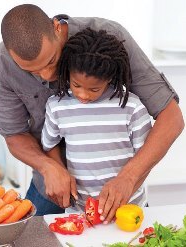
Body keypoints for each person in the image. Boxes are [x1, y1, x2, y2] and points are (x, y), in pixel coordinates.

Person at [0, 4, 184, 222]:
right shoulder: (2, 62)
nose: (47, 74)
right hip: (50, 190)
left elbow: (172, 118)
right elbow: (14, 135)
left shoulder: (109, 38)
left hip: (120, 194)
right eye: (31, 71)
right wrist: (48, 166)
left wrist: (128, 178)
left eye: (52, 60)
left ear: (56, 28)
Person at [41, 28, 152, 213]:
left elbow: (146, 158)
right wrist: (60, 173)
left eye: (94, 89)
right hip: (80, 212)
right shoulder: (57, 106)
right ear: (67, 72)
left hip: (129, 209)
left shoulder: (131, 107)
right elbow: (49, 145)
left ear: (109, 79)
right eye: (76, 85)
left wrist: (127, 187)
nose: (83, 95)